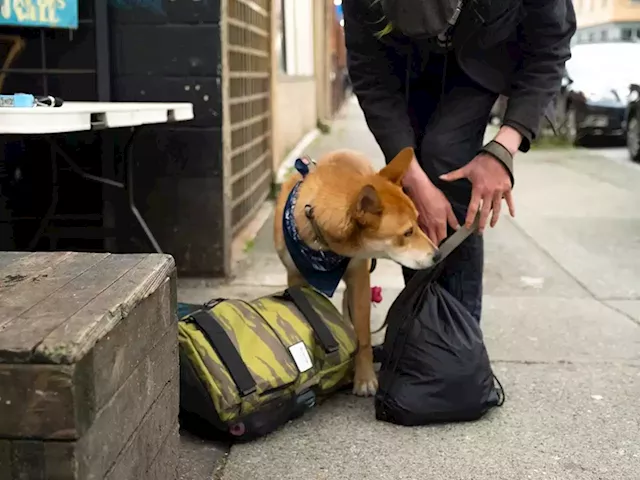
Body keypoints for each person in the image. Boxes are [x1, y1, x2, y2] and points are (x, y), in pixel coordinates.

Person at [343, 0, 576, 322]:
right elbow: (371, 79)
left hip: (483, 60)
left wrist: (501, 150)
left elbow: (549, 50)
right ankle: (422, 330)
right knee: (414, 176)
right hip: (403, 69)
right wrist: (413, 181)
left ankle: (460, 339)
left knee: (445, 156)